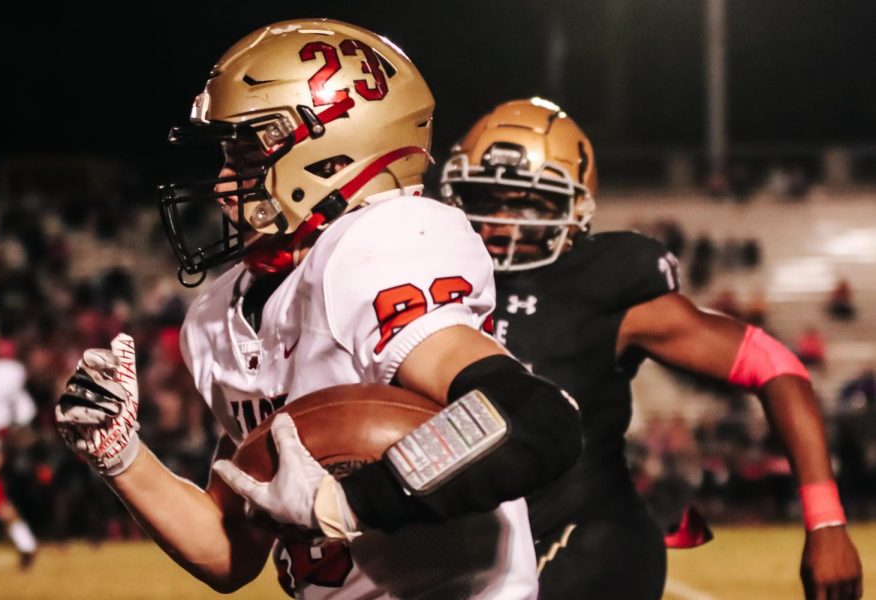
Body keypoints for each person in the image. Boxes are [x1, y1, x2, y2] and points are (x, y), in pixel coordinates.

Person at [54, 21, 584, 599]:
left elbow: (531, 417)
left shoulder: (376, 246)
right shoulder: (218, 316)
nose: (225, 185)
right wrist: (122, 456)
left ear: (330, 157)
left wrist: (346, 503)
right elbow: (229, 551)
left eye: (247, 156)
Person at [440, 98, 863, 600]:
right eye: (484, 198)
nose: (498, 224)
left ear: (575, 208)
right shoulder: (425, 281)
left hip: (589, 539)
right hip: (469, 546)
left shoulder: (603, 285)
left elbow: (775, 366)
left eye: (527, 204)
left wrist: (826, 521)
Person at [0, 320, 38, 568]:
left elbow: (24, 411)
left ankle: (24, 544)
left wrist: (8, 442)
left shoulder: (6, 373)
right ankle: (26, 544)